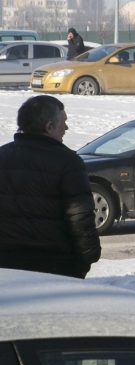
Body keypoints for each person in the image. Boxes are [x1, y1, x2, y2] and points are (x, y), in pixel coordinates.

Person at [0, 95, 100, 278]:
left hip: (5, 265)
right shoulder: (69, 162)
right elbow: (79, 216)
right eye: (64, 122)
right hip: (55, 265)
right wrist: (88, 257)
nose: (67, 128)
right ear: (49, 127)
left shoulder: (2, 156)